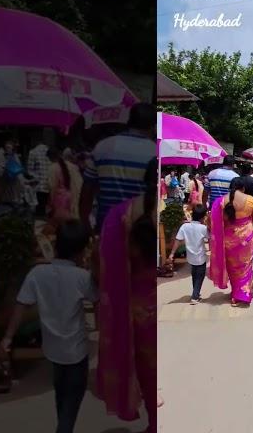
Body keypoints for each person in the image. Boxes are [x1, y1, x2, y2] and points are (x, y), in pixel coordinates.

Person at [0, 220, 96, 433]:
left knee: (61, 398)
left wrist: (7, 339)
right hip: (76, 351)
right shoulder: (82, 278)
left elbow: (20, 305)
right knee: (70, 405)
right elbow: (98, 301)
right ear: (81, 250)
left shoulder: (37, 274)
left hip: (52, 350)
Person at [96, 159, 158, 433]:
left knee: (148, 375)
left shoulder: (122, 214)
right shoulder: (163, 212)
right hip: (161, 309)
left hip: (138, 312)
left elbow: (106, 271)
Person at [80, 102, 156, 232]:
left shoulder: (102, 147)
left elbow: (87, 188)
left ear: (129, 121)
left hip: (105, 225)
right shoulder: (154, 152)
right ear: (153, 127)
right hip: (139, 232)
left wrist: (84, 220)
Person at [208, 177, 253, 307]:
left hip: (229, 240)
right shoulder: (250, 199)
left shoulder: (222, 201)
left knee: (233, 268)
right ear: (243, 188)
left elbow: (216, 222)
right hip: (247, 238)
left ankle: (236, 292)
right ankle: (243, 292)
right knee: (246, 265)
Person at [169, 204, 209, 305]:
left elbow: (178, 240)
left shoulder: (184, 226)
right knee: (200, 276)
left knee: (194, 275)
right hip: (200, 257)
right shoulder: (203, 228)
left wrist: (172, 254)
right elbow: (210, 238)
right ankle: (195, 297)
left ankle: (196, 293)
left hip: (190, 257)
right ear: (202, 217)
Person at [48, 148, 83, 223]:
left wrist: (50, 203)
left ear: (50, 158)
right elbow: (80, 185)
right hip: (73, 200)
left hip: (60, 201)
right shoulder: (74, 167)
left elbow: (52, 187)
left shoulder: (53, 168)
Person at [27, 129, 54, 217]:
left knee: (39, 211)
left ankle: (39, 228)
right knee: (48, 209)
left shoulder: (33, 152)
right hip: (49, 184)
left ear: (35, 140)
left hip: (38, 186)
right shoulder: (49, 150)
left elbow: (29, 171)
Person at [0, 139, 24, 206]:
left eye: (12, 147)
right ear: (4, 147)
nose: (10, 149)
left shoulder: (14, 155)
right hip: (3, 186)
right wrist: (5, 164)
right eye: (8, 147)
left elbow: (19, 169)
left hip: (14, 188)